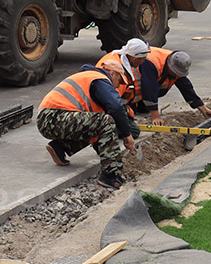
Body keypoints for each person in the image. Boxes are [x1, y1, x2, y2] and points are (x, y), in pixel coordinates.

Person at [36, 57, 140, 189]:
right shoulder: (99, 79)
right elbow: (116, 108)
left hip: (52, 119)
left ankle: (60, 147)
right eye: (119, 80)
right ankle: (109, 176)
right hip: (52, 117)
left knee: (97, 122)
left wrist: (107, 153)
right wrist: (126, 134)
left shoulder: (90, 79)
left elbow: (99, 136)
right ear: (112, 73)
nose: (118, 86)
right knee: (106, 121)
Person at [134, 47, 211, 125]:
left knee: (144, 109)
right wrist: (155, 117)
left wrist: (203, 109)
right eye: (175, 72)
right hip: (127, 89)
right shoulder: (152, 63)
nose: (177, 75)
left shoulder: (175, 62)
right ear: (170, 65)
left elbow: (186, 88)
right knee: (130, 113)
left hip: (141, 87)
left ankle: (140, 104)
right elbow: (149, 88)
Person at [96, 37, 150, 108]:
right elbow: (113, 101)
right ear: (135, 59)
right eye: (142, 60)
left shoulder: (116, 57)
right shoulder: (119, 72)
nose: (142, 63)